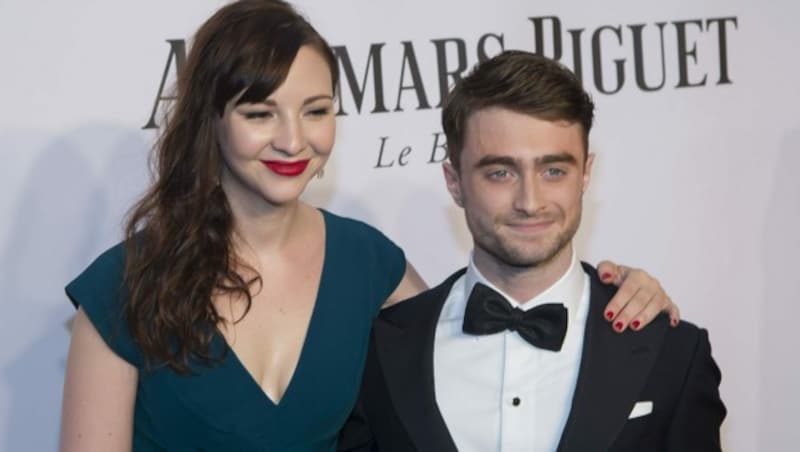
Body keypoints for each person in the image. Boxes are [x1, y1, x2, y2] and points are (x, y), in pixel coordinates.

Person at [60, 2, 680, 451]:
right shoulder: (124, 287)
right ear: (210, 121)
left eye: (316, 110)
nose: (293, 139)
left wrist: (623, 289)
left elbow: (487, 333)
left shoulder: (370, 265)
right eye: (259, 112)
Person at [338, 51, 725, 452]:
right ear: (454, 181)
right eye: (500, 173)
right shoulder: (380, 352)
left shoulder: (672, 352)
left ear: (586, 173)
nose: (530, 200)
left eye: (553, 170)